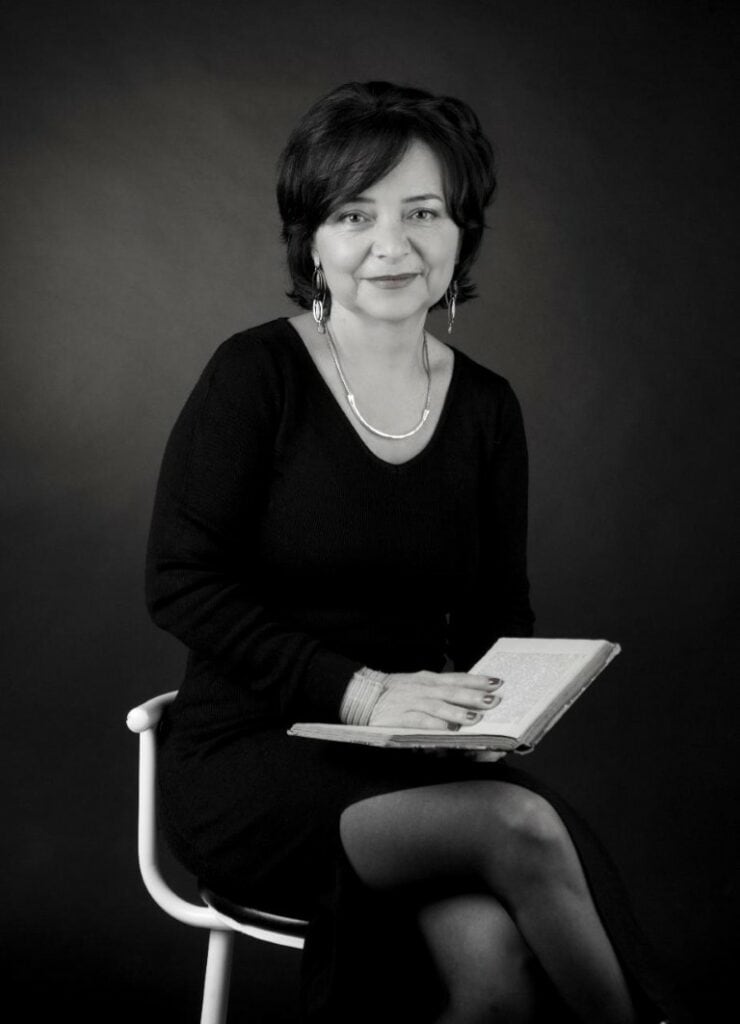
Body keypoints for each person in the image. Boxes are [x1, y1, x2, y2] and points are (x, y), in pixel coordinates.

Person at [146, 81, 682, 1023]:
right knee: (518, 823)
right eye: (356, 214)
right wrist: (361, 689)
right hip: (250, 759)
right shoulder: (253, 374)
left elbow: (493, 614)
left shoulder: (485, 407)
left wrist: (503, 701)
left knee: (488, 962)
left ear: (460, 233)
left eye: (423, 212)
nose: (392, 246)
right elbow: (182, 583)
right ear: (312, 238)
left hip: (405, 759)